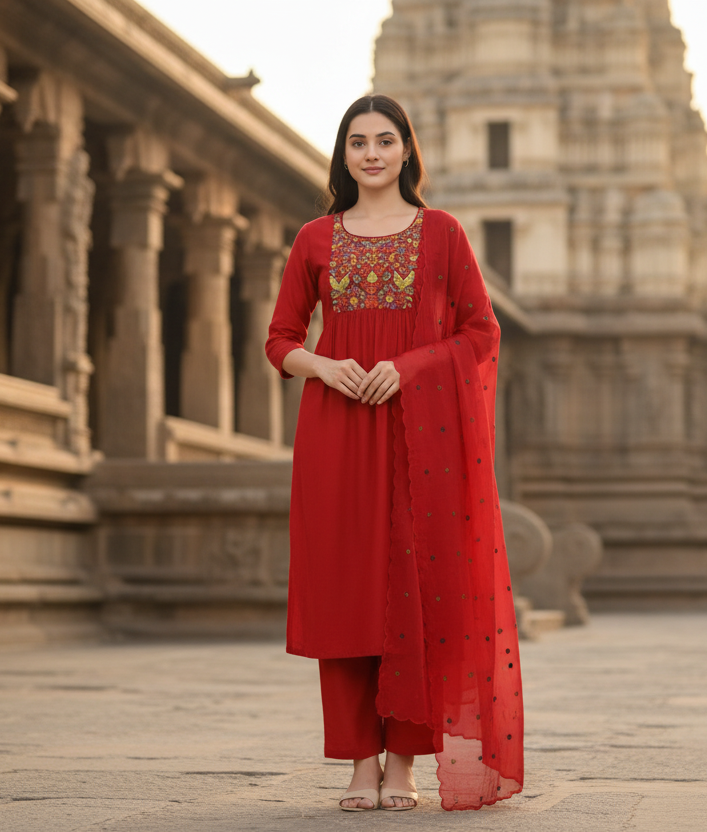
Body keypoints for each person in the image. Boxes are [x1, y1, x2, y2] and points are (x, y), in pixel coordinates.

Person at [265, 94, 523, 812]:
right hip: (336, 434)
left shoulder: (441, 234)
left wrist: (407, 369)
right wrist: (321, 366)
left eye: (385, 140)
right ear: (343, 155)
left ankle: (404, 762)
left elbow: (481, 333)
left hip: (419, 439)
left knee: (413, 588)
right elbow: (280, 339)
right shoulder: (316, 237)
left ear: (407, 150)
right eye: (358, 143)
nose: (371, 154)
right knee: (346, 592)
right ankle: (356, 761)